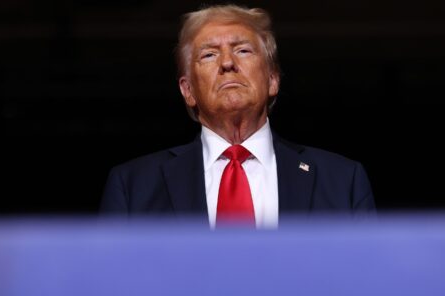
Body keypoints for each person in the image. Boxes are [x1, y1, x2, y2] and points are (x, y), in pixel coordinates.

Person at [99, 4, 376, 228]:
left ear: (272, 80)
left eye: (243, 50)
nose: (228, 63)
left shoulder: (342, 181)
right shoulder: (133, 187)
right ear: (188, 90)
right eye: (208, 55)